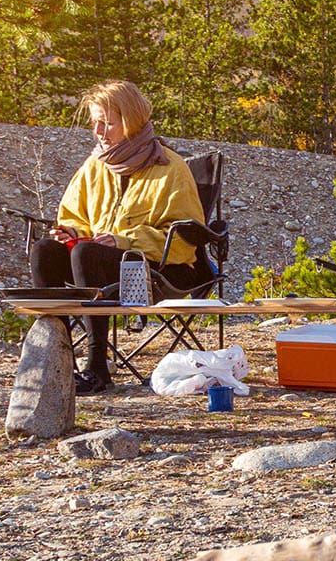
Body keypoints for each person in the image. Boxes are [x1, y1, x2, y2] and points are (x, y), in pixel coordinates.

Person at [33, 80, 207, 393]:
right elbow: (75, 216)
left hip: (157, 270)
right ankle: (58, 362)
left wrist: (124, 240)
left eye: (107, 123)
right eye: (95, 122)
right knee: (46, 250)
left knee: (86, 254)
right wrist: (72, 232)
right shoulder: (94, 166)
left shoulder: (171, 168)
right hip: (97, 264)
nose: (99, 131)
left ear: (132, 121)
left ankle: (97, 367)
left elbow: (185, 239)